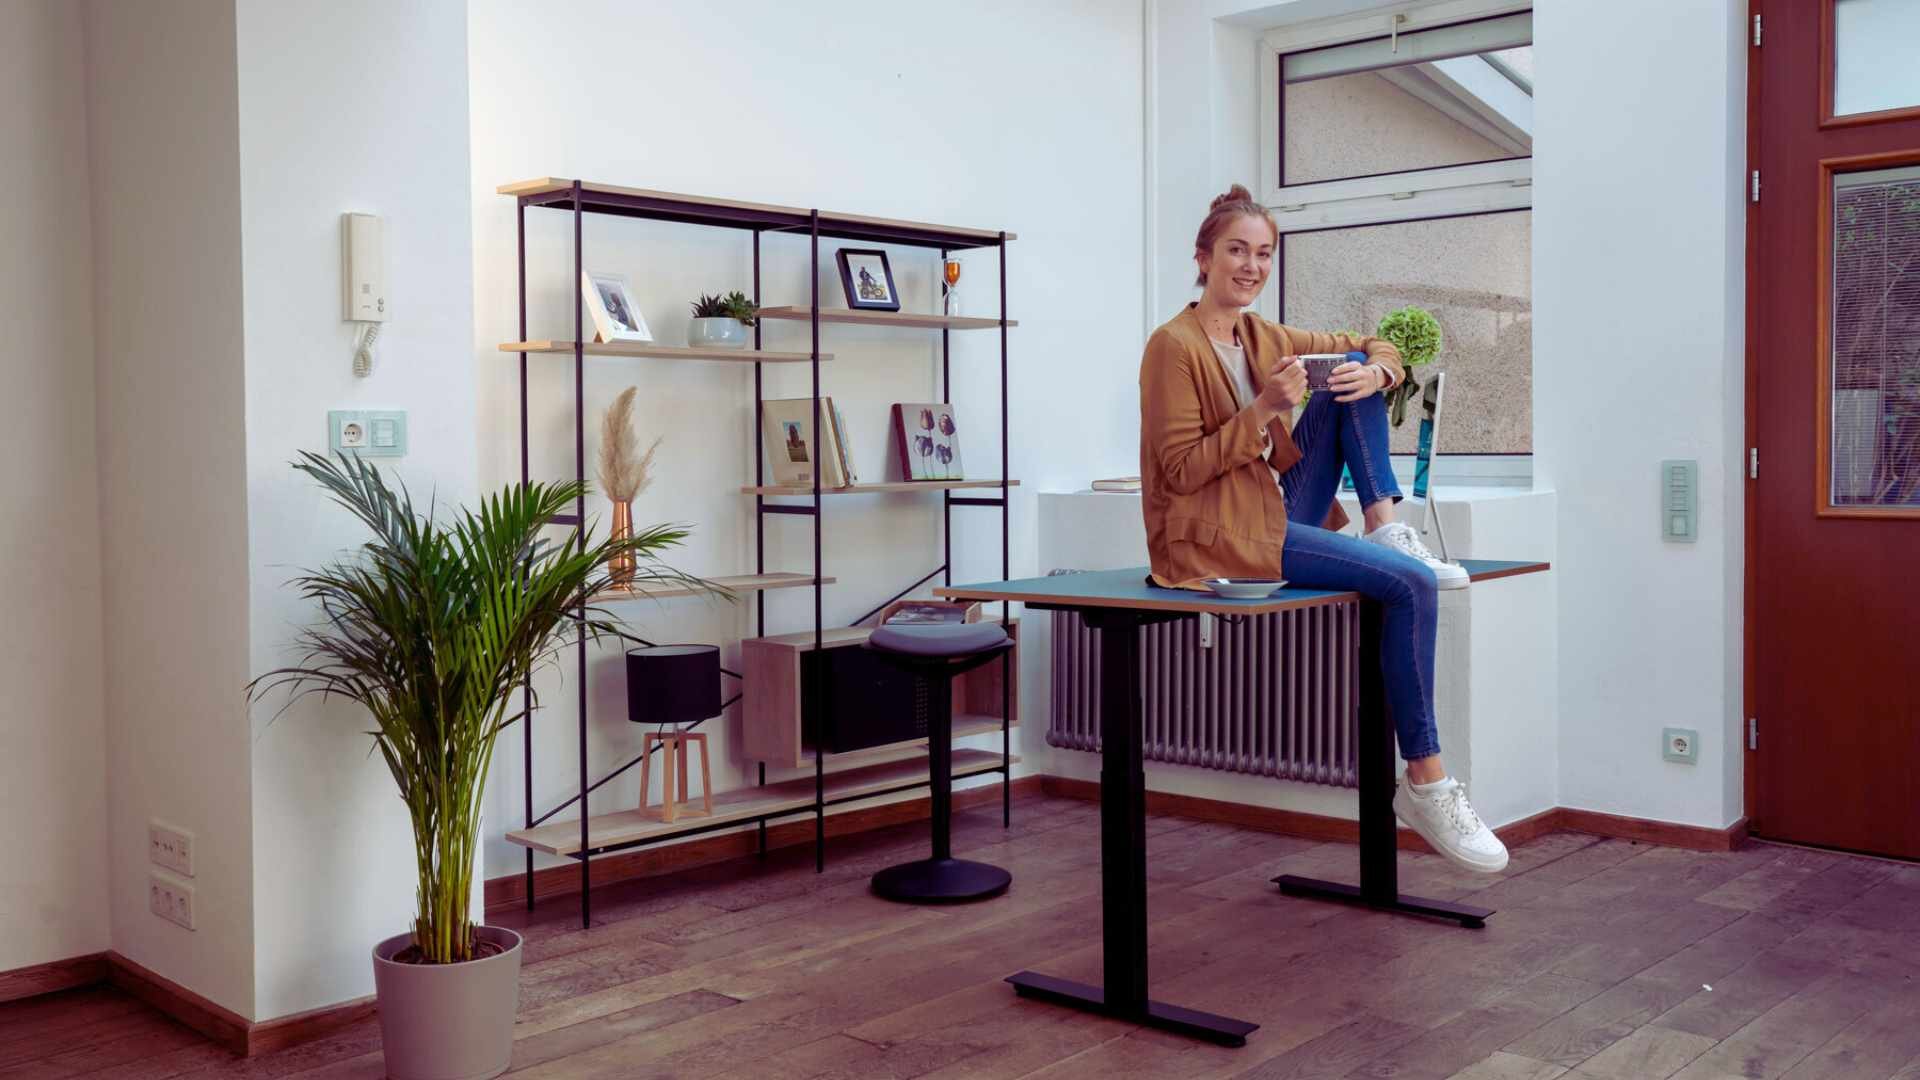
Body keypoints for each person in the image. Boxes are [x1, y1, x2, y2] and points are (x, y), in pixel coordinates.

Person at [1137, 183, 1505, 873]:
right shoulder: (1172, 348)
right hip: (1213, 536)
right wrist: (1265, 408)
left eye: (1263, 254)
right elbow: (1179, 473)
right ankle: (1426, 781)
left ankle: (1384, 523)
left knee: (1350, 371)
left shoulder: (1261, 334)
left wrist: (1385, 368)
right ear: (1203, 257)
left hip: (1269, 511)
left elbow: (1375, 342)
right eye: (1236, 251)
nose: (1250, 266)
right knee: (1413, 588)